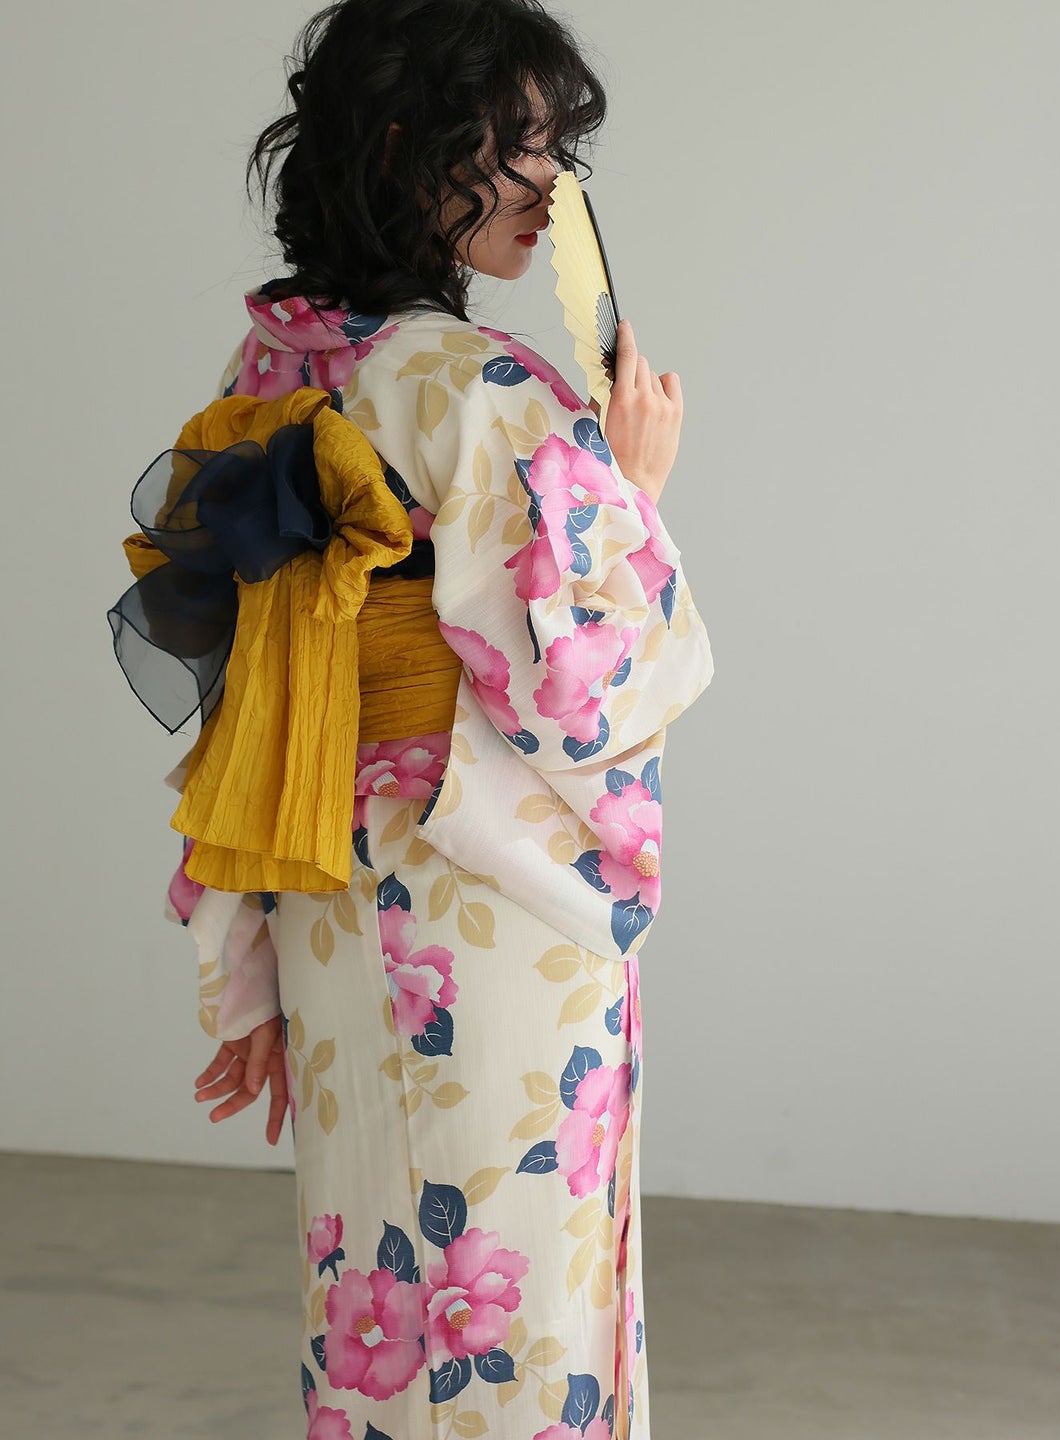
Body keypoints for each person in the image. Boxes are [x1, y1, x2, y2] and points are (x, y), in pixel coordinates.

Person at [115, 2, 714, 1436]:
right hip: (486, 887)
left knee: (378, 1277)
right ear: (406, 148)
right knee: (520, 1288)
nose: (550, 184)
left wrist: (248, 957)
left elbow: (247, 685)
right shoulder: (484, 389)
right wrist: (631, 490)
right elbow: (580, 692)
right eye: (515, 145)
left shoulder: (271, 369)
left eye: (558, 149)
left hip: (329, 870)